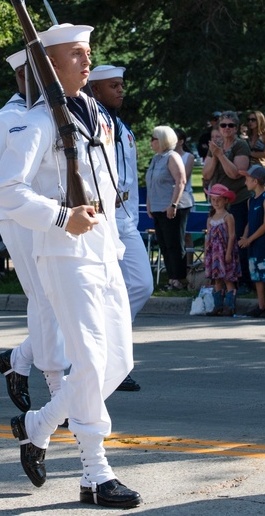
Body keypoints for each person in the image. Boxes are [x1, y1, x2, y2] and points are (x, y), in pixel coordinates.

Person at [0, 23, 141, 509]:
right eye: (76, 54)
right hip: (63, 251)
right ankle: (95, 474)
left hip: (102, 246)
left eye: (88, 52)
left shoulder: (94, 114)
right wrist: (59, 216)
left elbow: (107, 182)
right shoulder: (38, 121)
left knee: (118, 361)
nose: (87, 61)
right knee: (92, 361)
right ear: (50, 64)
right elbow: (7, 189)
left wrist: (115, 241)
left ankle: (39, 424)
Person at [0, 49, 67, 418]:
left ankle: (19, 359)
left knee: (58, 299)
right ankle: (57, 390)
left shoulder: (52, 112)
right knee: (45, 300)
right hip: (22, 218)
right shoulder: (4, 118)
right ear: (26, 76)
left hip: (57, 217)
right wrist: (24, 195)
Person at [88, 64, 154, 393]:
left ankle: (110, 353)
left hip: (126, 219)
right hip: (101, 219)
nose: (120, 90)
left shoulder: (123, 128)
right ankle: (111, 362)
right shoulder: (88, 122)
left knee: (142, 284)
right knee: (105, 291)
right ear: (95, 90)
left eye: (121, 85)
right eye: (113, 86)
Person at [203, 110, 252, 285]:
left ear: (236, 128)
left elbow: (234, 173)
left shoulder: (241, 145)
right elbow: (206, 174)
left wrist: (220, 155)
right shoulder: (215, 146)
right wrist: (215, 155)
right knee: (217, 240)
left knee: (237, 239)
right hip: (217, 201)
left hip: (236, 199)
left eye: (231, 125)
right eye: (223, 125)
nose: (226, 128)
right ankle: (219, 278)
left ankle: (242, 280)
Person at [146, 126, 192, 292]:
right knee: (164, 245)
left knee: (175, 244)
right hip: (158, 208)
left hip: (174, 207)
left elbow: (181, 181)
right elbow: (151, 182)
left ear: (163, 140)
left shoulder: (172, 157)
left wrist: (173, 204)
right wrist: (149, 204)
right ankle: (171, 278)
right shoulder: (156, 158)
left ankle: (180, 280)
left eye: (154, 138)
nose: (151, 142)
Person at [238, 165, 265, 318]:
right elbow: (250, 222)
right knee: (256, 275)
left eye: (247, 179)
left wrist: (250, 239)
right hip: (252, 243)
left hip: (264, 243)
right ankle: (261, 306)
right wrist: (244, 236)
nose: (245, 182)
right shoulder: (251, 200)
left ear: (255, 181)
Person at [204, 184, 240, 317]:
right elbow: (208, 237)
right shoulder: (210, 219)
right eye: (213, 200)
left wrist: (229, 252)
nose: (216, 203)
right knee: (217, 279)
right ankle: (217, 306)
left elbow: (231, 235)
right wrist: (206, 251)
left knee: (228, 278)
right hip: (214, 253)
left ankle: (230, 306)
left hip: (225, 251)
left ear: (226, 200)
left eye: (219, 199)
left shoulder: (228, 217)